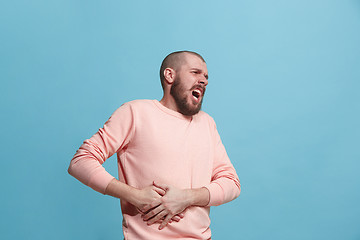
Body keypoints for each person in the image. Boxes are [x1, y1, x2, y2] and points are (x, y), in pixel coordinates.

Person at [68, 51, 241, 240]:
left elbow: (231, 183)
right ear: (170, 75)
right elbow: (81, 162)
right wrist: (135, 196)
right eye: (195, 72)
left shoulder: (207, 123)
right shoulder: (135, 113)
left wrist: (187, 198)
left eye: (206, 77)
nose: (204, 80)